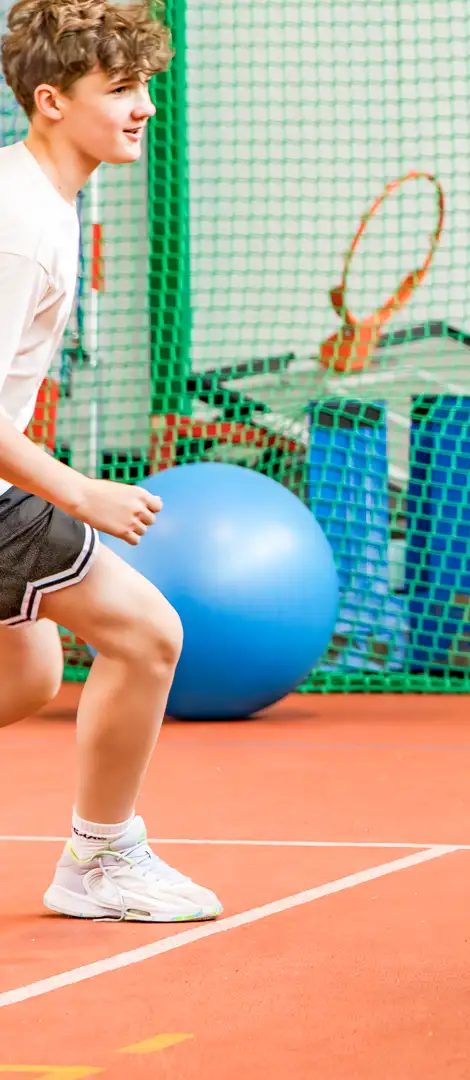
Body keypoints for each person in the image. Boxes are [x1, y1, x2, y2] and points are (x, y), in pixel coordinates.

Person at [0, 0, 220, 922]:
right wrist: (78, 491)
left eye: (146, 87)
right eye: (122, 88)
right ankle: (100, 859)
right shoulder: (20, 226)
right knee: (146, 634)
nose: (146, 108)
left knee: (27, 676)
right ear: (52, 100)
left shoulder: (39, 201)